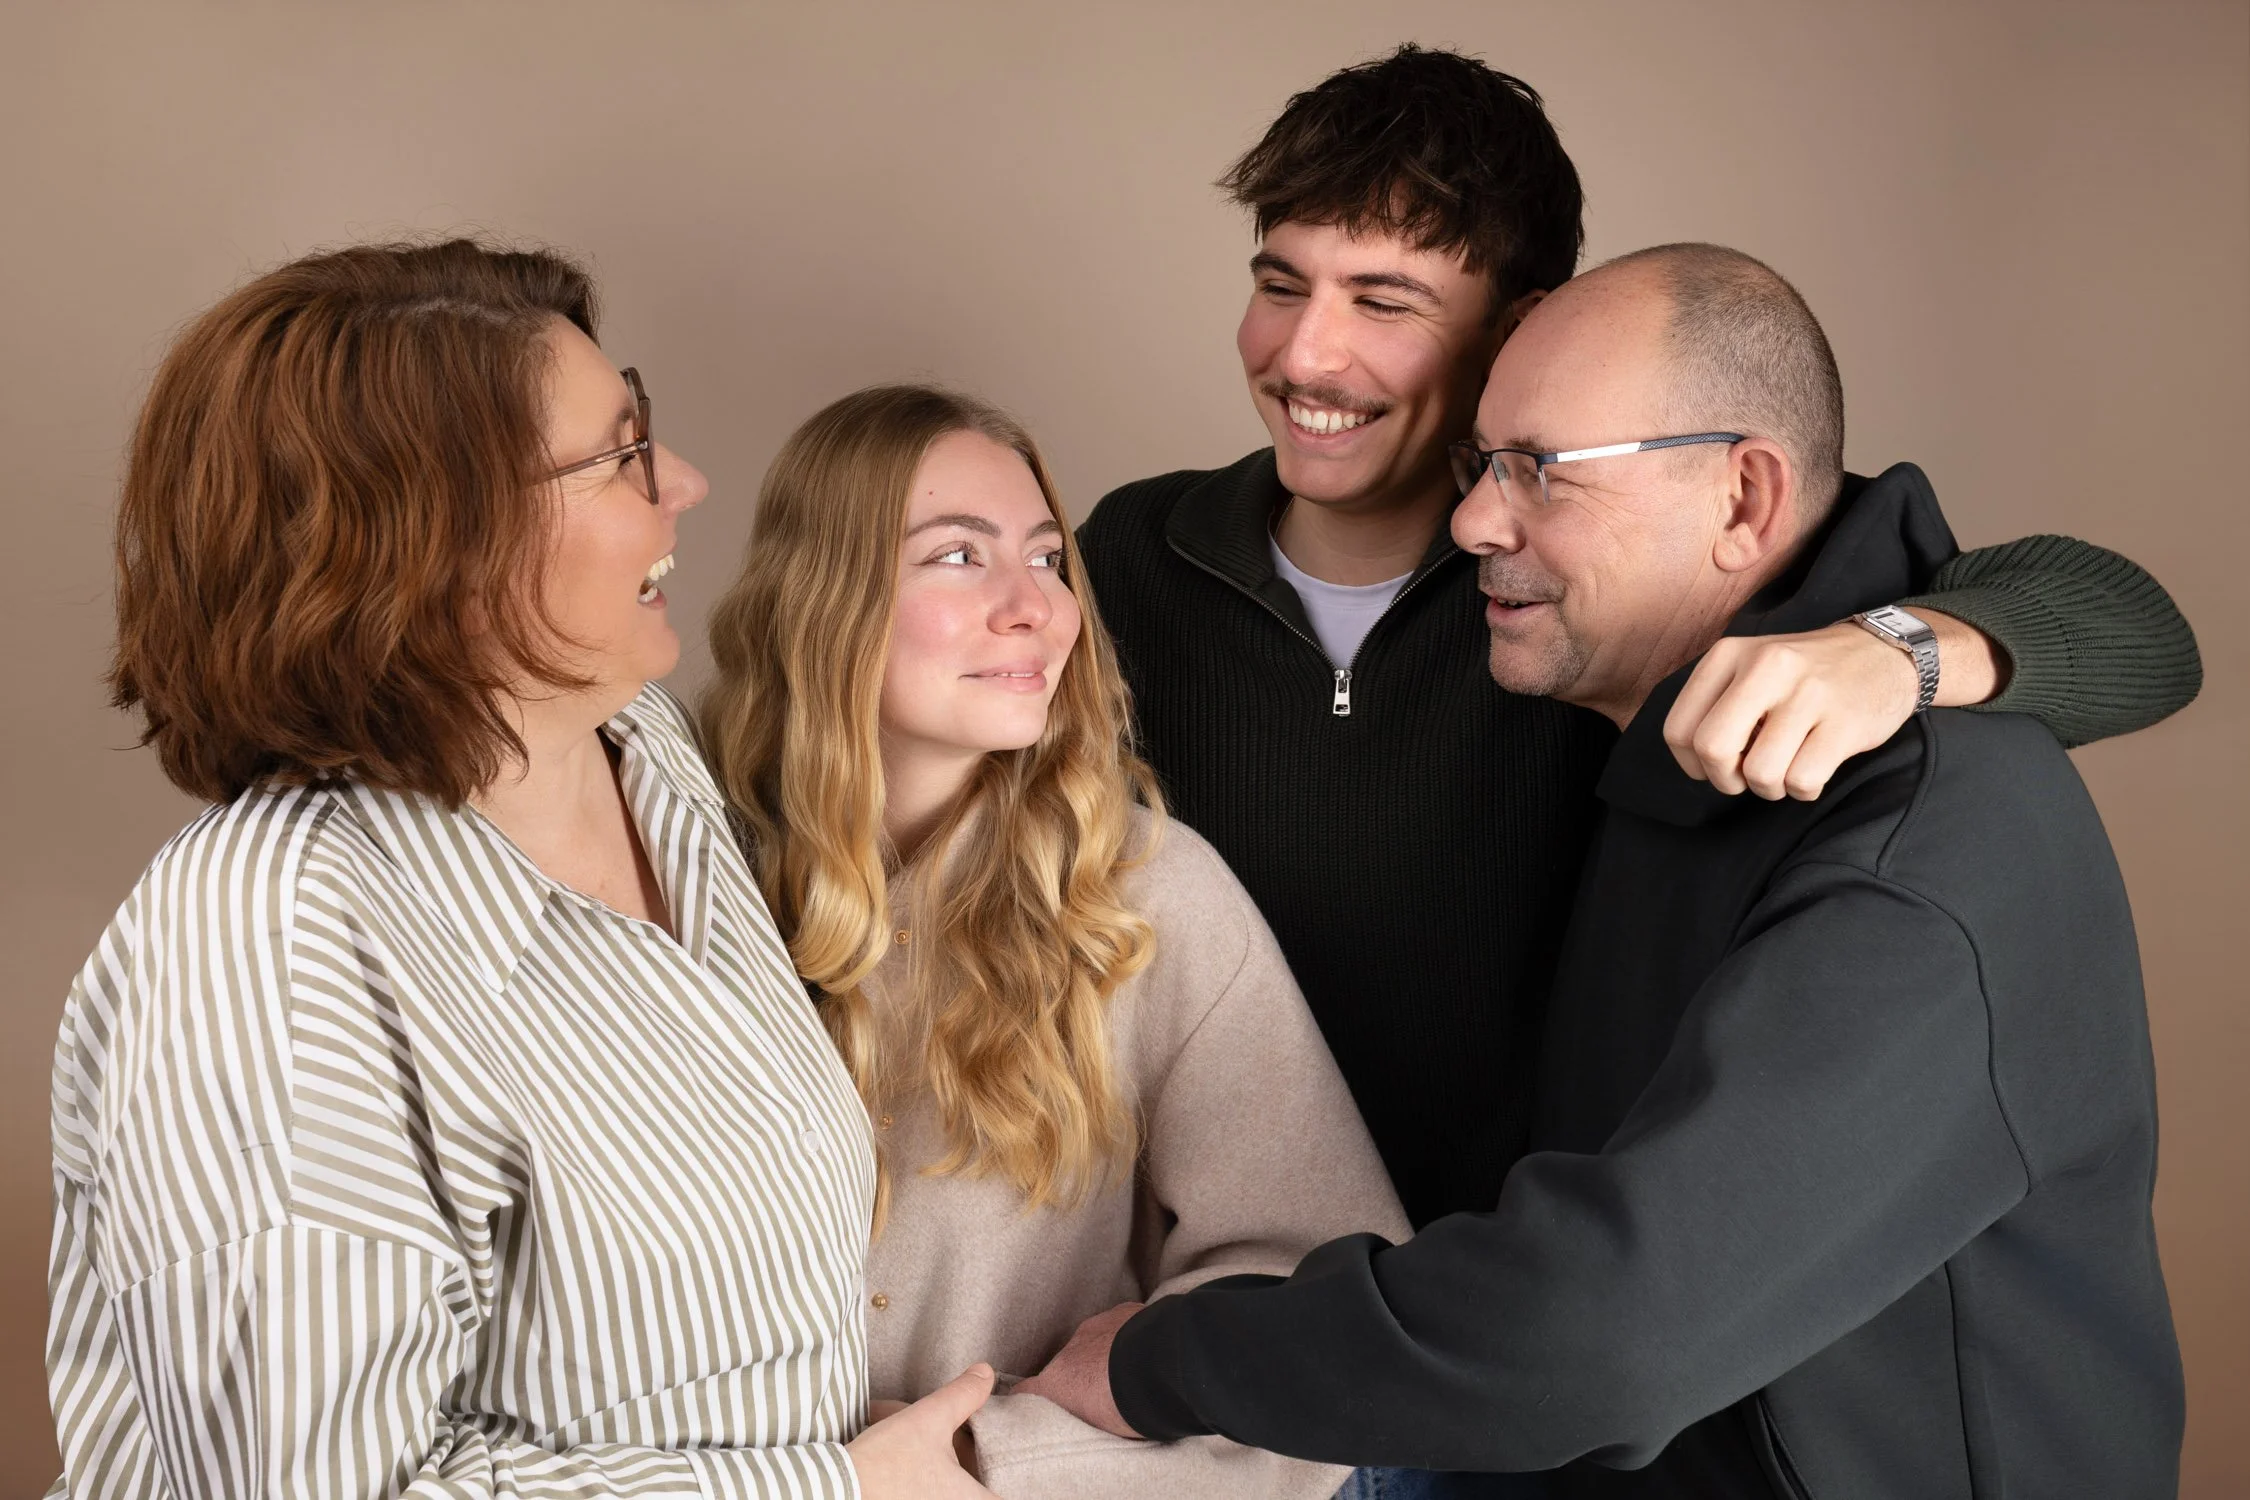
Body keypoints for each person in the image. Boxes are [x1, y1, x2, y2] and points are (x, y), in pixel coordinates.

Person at [1021, 244, 2184, 1497]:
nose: (1471, 522)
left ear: (1743, 499)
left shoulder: (1924, 847)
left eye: (1538, 471)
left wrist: (1160, 1359)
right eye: (1481, 462)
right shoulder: (1614, 711)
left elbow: (1598, 1338)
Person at [1074, 45, 2203, 1239]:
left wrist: (1898, 649)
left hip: (1516, 1311)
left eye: (1384, 302)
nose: (1305, 355)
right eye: (1283, 284)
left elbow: (2133, 626)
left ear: (1522, 331)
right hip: (1216, 1286)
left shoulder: (1610, 581)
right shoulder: (1134, 553)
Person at [47, 240, 991, 1499]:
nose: (687, 482)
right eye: (621, 456)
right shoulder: (267, 953)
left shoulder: (639, 747)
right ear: (435, 545)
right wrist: (838, 1492)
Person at [697, 384, 1410, 1500]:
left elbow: (1319, 1301)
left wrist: (996, 1462)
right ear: (823, 594)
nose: (1037, 607)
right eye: (958, 557)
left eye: (1047, 556)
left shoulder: (1147, 895)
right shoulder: (666, 871)